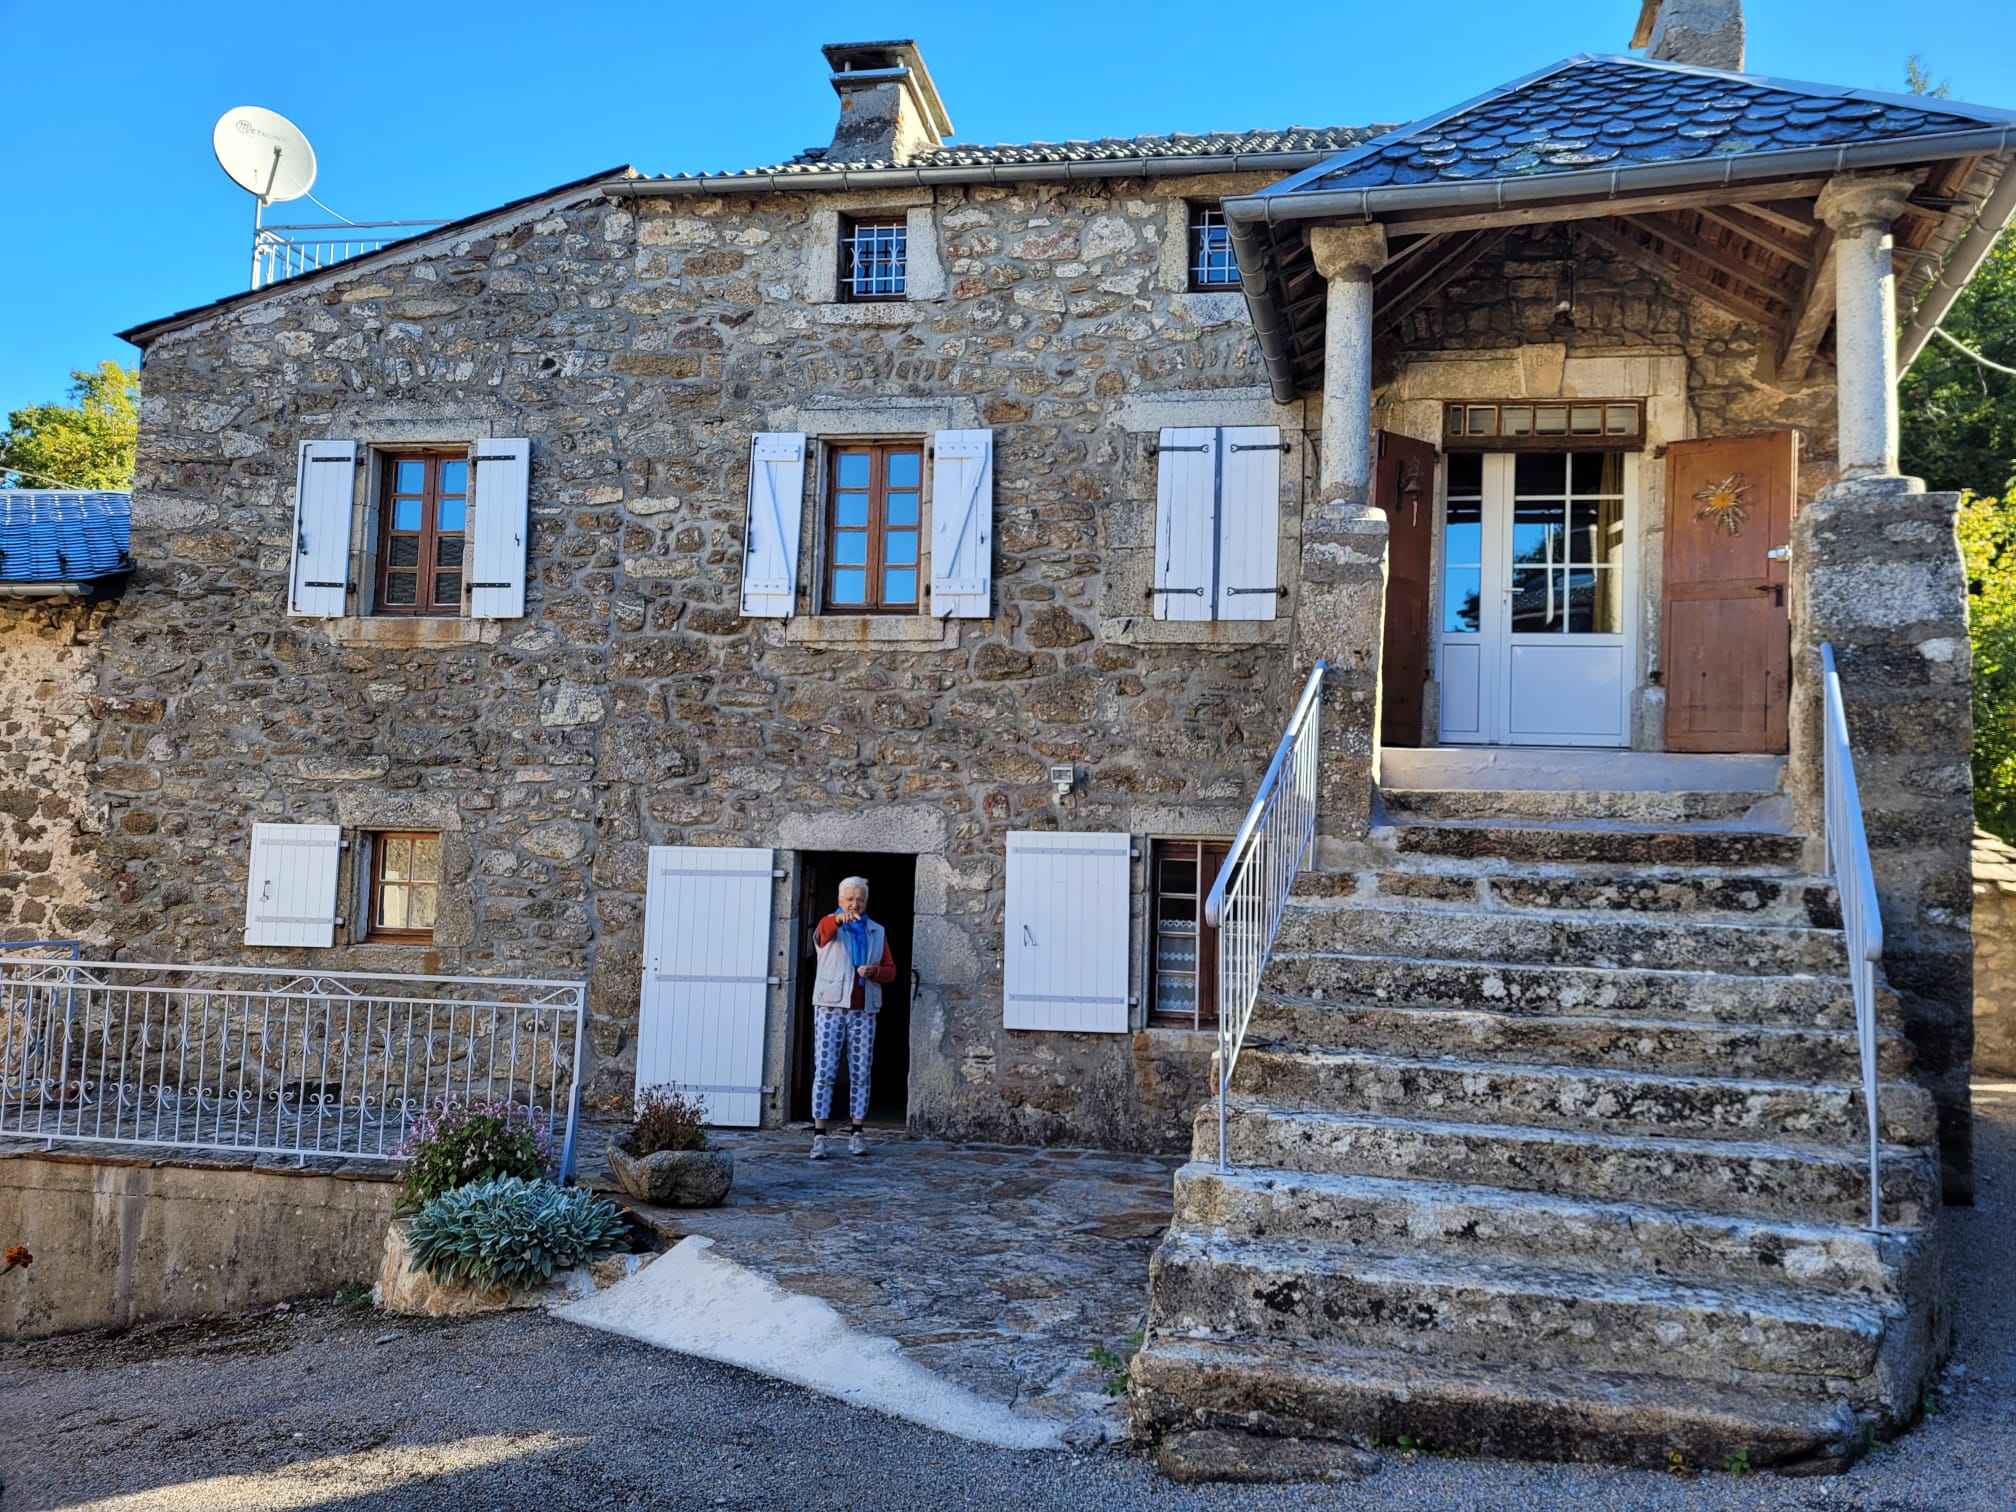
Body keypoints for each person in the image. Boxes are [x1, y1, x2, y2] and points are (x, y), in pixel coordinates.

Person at [808, 876, 895, 1159]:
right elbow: (822, 934)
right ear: (840, 900)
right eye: (849, 899)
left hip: (863, 1010)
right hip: (830, 1007)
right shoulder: (829, 924)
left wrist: (875, 972)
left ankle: (857, 1132)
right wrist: (839, 919)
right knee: (825, 1071)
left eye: (859, 899)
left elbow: (891, 970)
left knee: (861, 1072)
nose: (854, 904)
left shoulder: (876, 931)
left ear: (866, 902)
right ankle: (819, 1136)